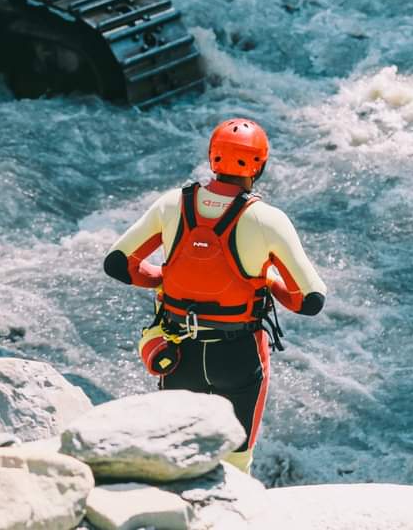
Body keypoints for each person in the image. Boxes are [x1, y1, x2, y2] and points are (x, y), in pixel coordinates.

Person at [102, 118, 327, 473]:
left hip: (178, 352)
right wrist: (265, 280)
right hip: (238, 358)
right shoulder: (268, 220)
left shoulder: (171, 204)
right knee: (237, 461)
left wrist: (164, 277)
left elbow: (118, 263)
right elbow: (310, 299)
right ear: (260, 166)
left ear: (213, 159)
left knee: (175, 452)